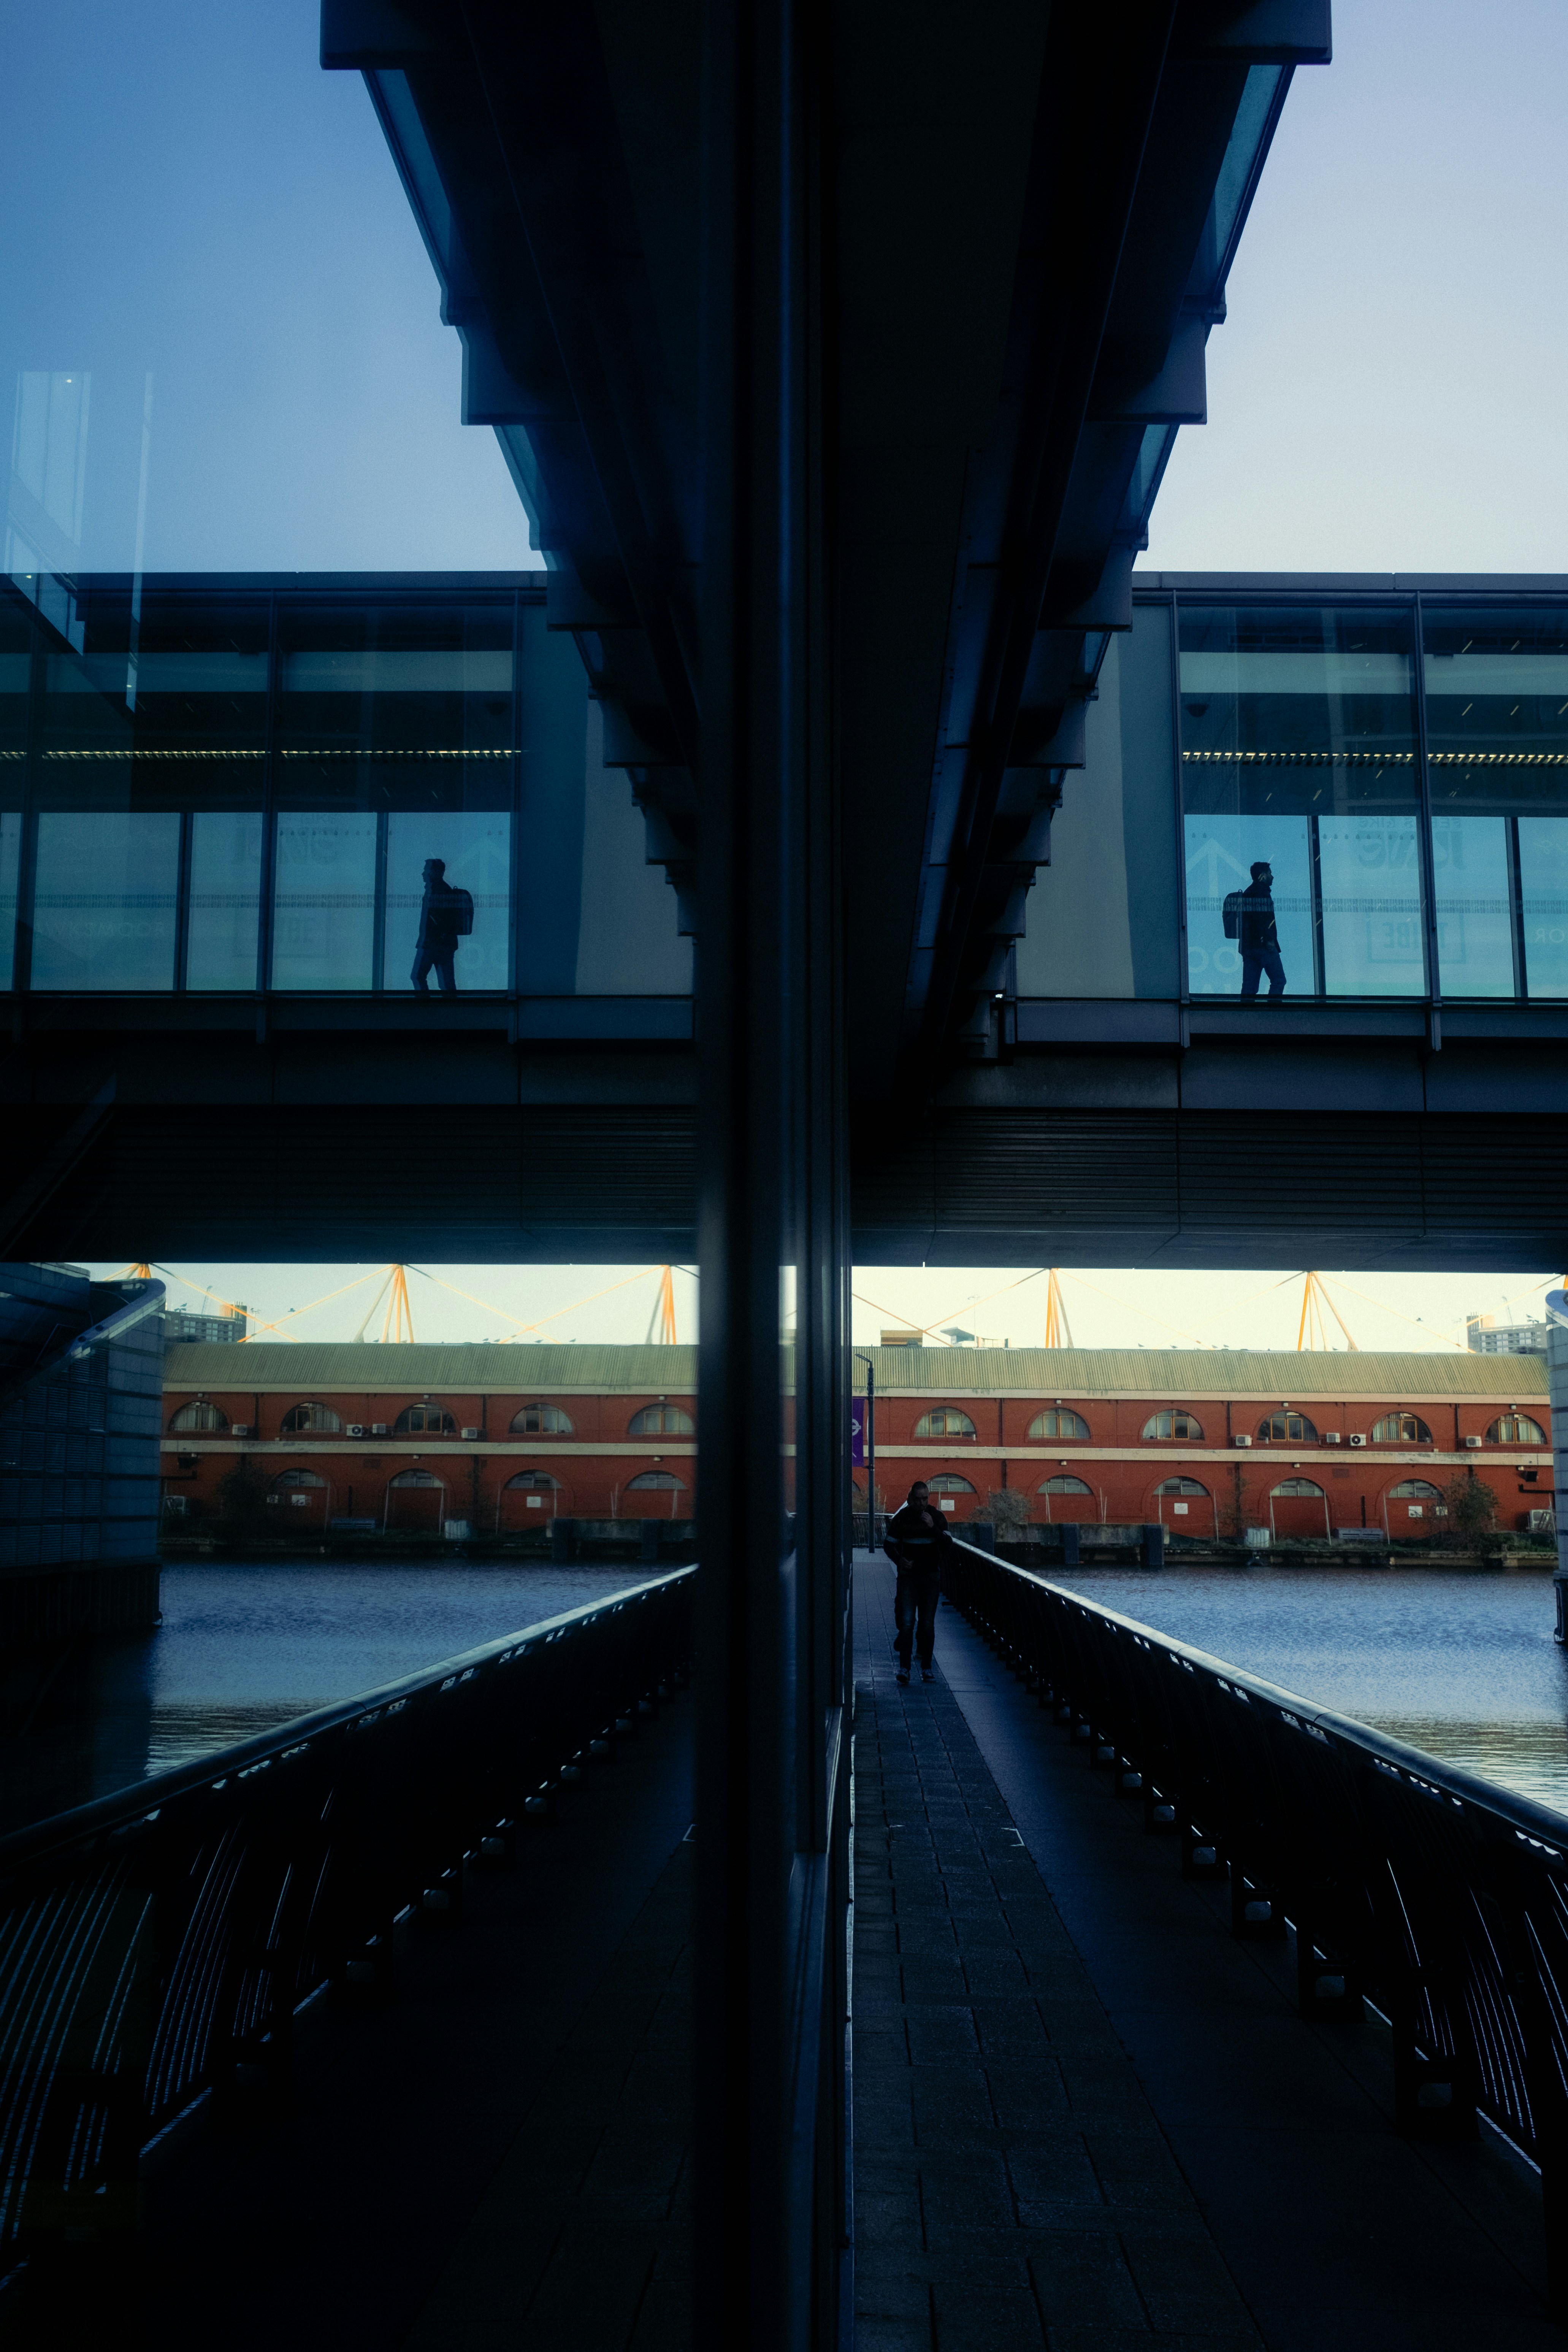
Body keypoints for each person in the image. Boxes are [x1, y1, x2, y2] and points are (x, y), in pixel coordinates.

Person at [883, 1479, 953, 1685]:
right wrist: (900, 1560)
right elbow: (888, 1545)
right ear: (911, 1499)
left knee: (927, 1624)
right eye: (918, 1499)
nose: (922, 1504)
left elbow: (948, 1544)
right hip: (909, 1578)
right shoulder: (902, 1519)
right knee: (907, 1623)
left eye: (925, 1499)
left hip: (931, 1576)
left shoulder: (937, 1517)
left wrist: (933, 1528)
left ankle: (927, 1668)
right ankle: (905, 1669)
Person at [411, 857, 463, 994]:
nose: (423, 873)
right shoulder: (438, 890)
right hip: (442, 944)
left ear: (435, 872)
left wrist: (428, 942)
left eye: (426, 870)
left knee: (419, 976)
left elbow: (437, 921)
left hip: (436, 945)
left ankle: (428, 1009)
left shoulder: (439, 891)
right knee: (447, 982)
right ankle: (449, 1011)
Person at [1237, 860, 1286, 999]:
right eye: (1270, 873)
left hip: (1249, 947)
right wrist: (1269, 940)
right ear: (1263, 875)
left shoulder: (1248, 892)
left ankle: (1245, 1016)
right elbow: (1262, 919)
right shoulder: (1262, 892)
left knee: (1249, 987)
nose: (1273, 877)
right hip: (1264, 946)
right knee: (1279, 980)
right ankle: (1272, 1013)